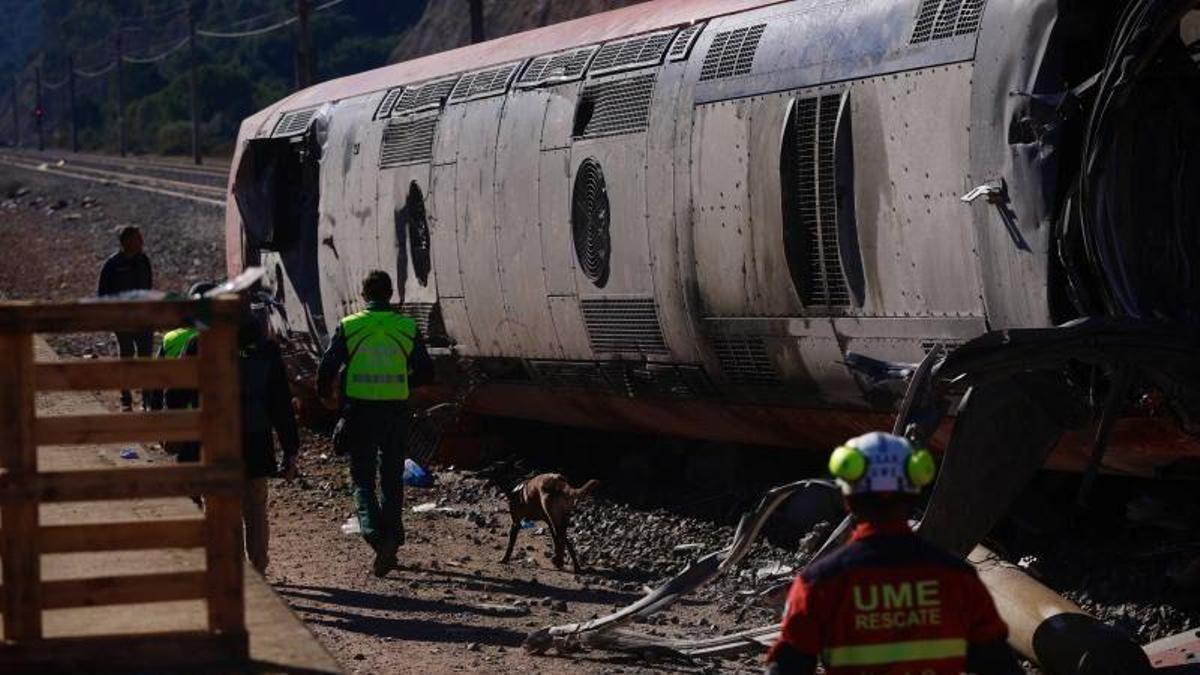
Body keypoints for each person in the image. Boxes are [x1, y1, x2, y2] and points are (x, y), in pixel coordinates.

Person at [765, 432, 1022, 675]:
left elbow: (788, 665)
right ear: (913, 492)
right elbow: (998, 663)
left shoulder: (819, 583)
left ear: (847, 497)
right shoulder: (958, 579)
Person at [163, 306, 300, 574]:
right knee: (256, 508)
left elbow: (175, 394)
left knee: (218, 507)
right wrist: (290, 450)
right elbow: (281, 405)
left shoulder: (198, 344)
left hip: (215, 440)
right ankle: (258, 568)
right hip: (257, 440)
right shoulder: (266, 350)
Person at [316, 270, 433, 578]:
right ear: (390, 293)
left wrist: (326, 396)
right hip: (395, 411)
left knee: (362, 479)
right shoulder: (406, 327)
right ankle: (392, 535)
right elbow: (425, 371)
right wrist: (403, 383)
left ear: (364, 294)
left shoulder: (351, 326)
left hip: (360, 412)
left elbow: (327, 366)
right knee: (392, 476)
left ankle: (377, 536)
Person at [97, 225, 153, 411]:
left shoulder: (143, 260)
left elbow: (148, 288)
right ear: (126, 242)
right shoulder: (112, 265)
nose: (141, 242)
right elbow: (103, 295)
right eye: (137, 238)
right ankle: (126, 398)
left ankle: (147, 399)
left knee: (146, 359)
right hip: (123, 320)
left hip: (143, 319)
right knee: (127, 355)